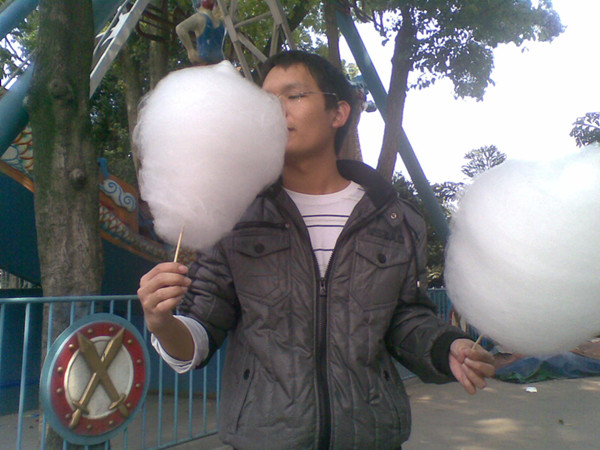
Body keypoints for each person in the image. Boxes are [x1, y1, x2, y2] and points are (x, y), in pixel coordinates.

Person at [138, 50, 495, 449]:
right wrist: (162, 323)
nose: (276, 111)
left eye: (294, 96)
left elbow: (404, 319)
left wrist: (446, 347)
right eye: (266, 100)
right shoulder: (235, 216)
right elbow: (203, 327)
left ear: (338, 113)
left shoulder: (395, 219)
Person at [175, 0, 225, 65]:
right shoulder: (200, 18)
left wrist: (190, 50)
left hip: (219, 63)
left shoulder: (219, 21)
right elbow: (180, 28)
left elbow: (180, 28)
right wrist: (190, 50)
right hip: (207, 62)